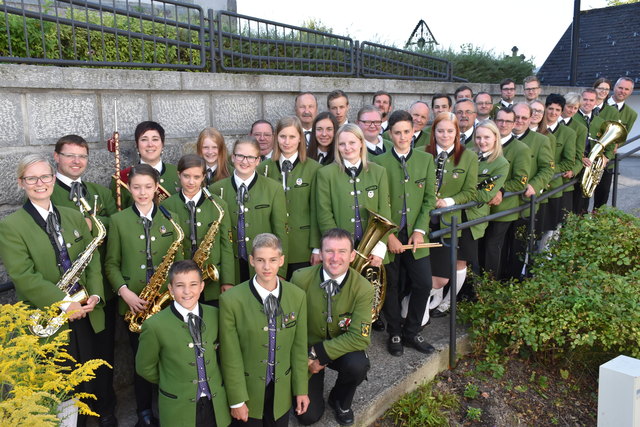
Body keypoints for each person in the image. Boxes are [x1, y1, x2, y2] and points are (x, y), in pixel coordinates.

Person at [0, 154, 106, 425]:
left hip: (84, 314)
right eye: (31, 178)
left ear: (53, 178)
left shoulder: (72, 216)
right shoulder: (11, 226)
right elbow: (23, 276)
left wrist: (95, 294)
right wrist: (63, 303)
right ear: (21, 183)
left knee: (89, 389)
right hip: (49, 320)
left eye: (45, 176)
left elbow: (90, 259)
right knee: (60, 391)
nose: (40, 183)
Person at [105, 163, 185, 427]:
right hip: (134, 305)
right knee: (141, 360)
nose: (142, 192)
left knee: (169, 358)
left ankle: (168, 408)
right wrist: (124, 292)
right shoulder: (118, 221)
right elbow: (111, 264)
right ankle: (143, 411)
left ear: (157, 187)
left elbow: (179, 264)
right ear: (129, 188)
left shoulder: (171, 218)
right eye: (136, 187)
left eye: (148, 187)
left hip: (164, 301)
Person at [50, 135, 118, 426]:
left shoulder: (99, 192)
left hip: (100, 288)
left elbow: (114, 231)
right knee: (71, 360)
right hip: (66, 293)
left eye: (82, 156)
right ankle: (75, 418)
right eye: (70, 155)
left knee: (104, 354)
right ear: (57, 157)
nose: (77, 161)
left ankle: (106, 411)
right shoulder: (48, 192)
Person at [220, 233, 309, 427]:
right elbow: (230, 355)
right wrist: (237, 399)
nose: (267, 267)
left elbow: (299, 348)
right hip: (249, 393)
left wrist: (301, 389)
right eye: (260, 260)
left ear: (282, 260)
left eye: (272, 260)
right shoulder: (231, 300)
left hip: (281, 392)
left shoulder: (297, 296)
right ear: (251, 261)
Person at [291, 228, 373, 427]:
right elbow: (290, 327)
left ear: (352, 256)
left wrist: (319, 354)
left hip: (336, 349)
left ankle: (340, 400)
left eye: (342, 251)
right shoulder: (300, 279)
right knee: (308, 417)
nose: (335, 258)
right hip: (305, 350)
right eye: (329, 251)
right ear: (321, 252)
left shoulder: (363, 287)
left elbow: (360, 338)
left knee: (358, 365)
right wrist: (305, 357)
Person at [372, 110, 437, 356]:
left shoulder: (425, 160)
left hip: (416, 236)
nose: (402, 137)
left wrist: (420, 230)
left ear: (413, 132)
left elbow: (430, 198)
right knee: (392, 285)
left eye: (406, 132)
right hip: (389, 235)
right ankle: (395, 333)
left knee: (423, 283)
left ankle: (412, 332)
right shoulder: (378, 162)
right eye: (397, 133)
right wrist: (387, 235)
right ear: (389, 134)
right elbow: (376, 201)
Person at [136, 260, 231, 427]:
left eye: (193, 284)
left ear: (202, 286)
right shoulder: (154, 325)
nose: (187, 291)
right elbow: (144, 367)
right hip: (177, 405)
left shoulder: (215, 315)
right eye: (180, 286)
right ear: (171, 289)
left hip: (215, 403)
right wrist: (171, 379)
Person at [210, 137, 288, 282]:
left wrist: (281, 271)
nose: (245, 161)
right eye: (240, 156)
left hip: (263, 266)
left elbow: (280, 233)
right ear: (233, 157)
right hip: (231, 267)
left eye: (251, 157)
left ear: (258, 160)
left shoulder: (273, 189)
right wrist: (226, 279)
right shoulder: (216, 189)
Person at [423, 113, 478, 317]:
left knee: (441, 273)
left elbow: (470, 192)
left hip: (448, 220)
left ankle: (431, 302)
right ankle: (418, 308)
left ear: (457, 132)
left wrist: (447, 202)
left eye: (450, 131)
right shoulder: (422, 152)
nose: (444, 135)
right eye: (440, 131)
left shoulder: (468, 156)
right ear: (433, 132)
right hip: (422, 218)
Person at [161, 154, 235, 305]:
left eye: (196, 177)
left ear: (203, 177)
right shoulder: (167, 205)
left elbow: (226, 245)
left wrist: (228, 281)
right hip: (181, 284)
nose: (191, 182)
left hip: (212, 281)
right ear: (178, 175)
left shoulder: (218, 204)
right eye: (186, 176)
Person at [314, 124, 391, 264]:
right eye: (342, 144)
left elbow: (384, 212)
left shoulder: (379, 172)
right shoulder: (325, 174)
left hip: (373, 250)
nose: (347, 148)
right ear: (337, 147)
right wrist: (339, 247)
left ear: (361, 143)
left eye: (352, 142)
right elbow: (324, 214)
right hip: (340, 251)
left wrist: (378, 248)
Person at [258, 117, 321, 278]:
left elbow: (318, 210)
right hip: (270, 247)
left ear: (300, 138)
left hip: (303, 246)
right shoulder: (263, 168)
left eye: (292, 137)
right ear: (276, 137)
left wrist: (317, 247)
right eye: (282, 136)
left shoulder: (314, 168)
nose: (287, 142)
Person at [503, 103, 554, 279]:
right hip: (500, 205)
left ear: (531, 119)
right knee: (498, 247)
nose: (519, 121)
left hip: (523, 204)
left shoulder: (540, 140)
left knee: (519, 247)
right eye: (516, 117)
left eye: (524, 118)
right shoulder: (497, 138)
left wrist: (535, 185)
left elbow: (548, 169)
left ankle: (514, 282)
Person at [480, 108, 531, 279]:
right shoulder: (482, 144)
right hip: (480, 207)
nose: (503, 124)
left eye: (508, 121)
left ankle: (490, 284)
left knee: (492, 247)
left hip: (502, 208)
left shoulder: (520, 148)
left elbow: (521, 181)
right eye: (500, 120)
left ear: (514, 123)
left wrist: (500, 189)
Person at [466, 120, 509, 291]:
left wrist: (460, 194)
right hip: (455, 214)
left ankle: (475, 294)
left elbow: (485, 194)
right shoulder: (468, 154)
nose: (481, 141)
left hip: (475, 216)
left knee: (472, 258)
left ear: (495, 138)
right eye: (478, 137)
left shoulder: (500, 163)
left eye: (486, 137)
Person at [111, 121, 179, 208]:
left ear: (163, 144)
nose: (150, 144)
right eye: (144, 139)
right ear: (137, 145)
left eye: (155, 139)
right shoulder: (121, 179)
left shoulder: (178, 173)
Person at [593, 77, 637, 209]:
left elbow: (622, 137)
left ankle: (596, 222)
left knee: (602, 194)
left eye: (626, 89)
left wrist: (613, 149)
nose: (622, 91)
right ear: (614, 88)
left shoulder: (631, 114)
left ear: (631, 92)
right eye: (620, 88)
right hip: (589, 155)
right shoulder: (599, 102)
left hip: (608, 159)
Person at [538, 94, 576, 233]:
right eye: (550, 109)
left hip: (553, 186)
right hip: (535, 186)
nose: (553, 113)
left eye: (557, 110)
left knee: (550, 226)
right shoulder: (535, 129)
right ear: (545, 108)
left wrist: (547, 171)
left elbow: (568, 162)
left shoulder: (568, 133)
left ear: (561, 112)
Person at [573, 88, 607, 214]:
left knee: (586, 196)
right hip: (576, 162)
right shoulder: (573, 117)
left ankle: (582, 219)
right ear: (580, 100)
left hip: (591, 165)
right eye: (585, 99)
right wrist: (580, 157)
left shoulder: (600, 121)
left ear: (596, 102)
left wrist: (606, 157)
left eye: (591, 100)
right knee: (574, 196)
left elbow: (607, 144)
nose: (588, 103)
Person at [560, 92, 588, 215]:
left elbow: (579, 155)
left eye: (575, 108)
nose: (572, 110)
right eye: (569, 106)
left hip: (565, 176)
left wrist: (574, 171)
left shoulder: (580, 128)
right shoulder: (548, 120)